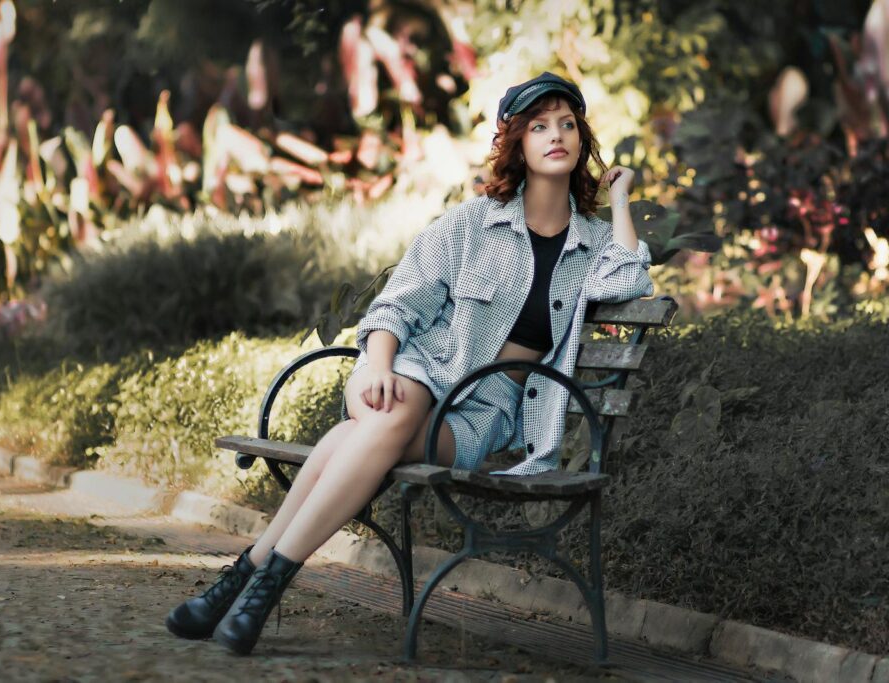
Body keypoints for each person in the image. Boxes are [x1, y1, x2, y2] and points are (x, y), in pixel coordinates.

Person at [164, 72, 655, 656]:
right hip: (411, 373)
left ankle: (244, 578)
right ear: (517, 143)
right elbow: (396, 304)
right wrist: (375, 364)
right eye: (539, 125)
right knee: (389, 411)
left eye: (567, 124)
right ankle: (264, 592)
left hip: (482, 412)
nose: (556, 136)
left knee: (360, 435)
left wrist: (619, 197)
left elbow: (630, 278)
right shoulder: (471, 225)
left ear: (581, 141)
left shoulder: (591, 242)